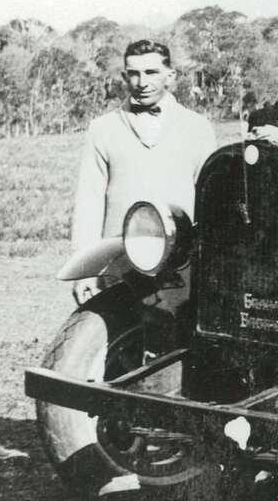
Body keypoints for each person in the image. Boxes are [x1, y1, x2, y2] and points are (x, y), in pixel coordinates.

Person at [69, 39, 217, 304]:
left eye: (151, 73)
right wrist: (85, 270)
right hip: (118, 264)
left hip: (179, 267)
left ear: (170, 76)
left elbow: (211, 203)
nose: (142, 82)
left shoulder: (198, 128)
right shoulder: (102, 128)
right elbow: (89, 202)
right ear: (125, 76)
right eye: (134, 74)